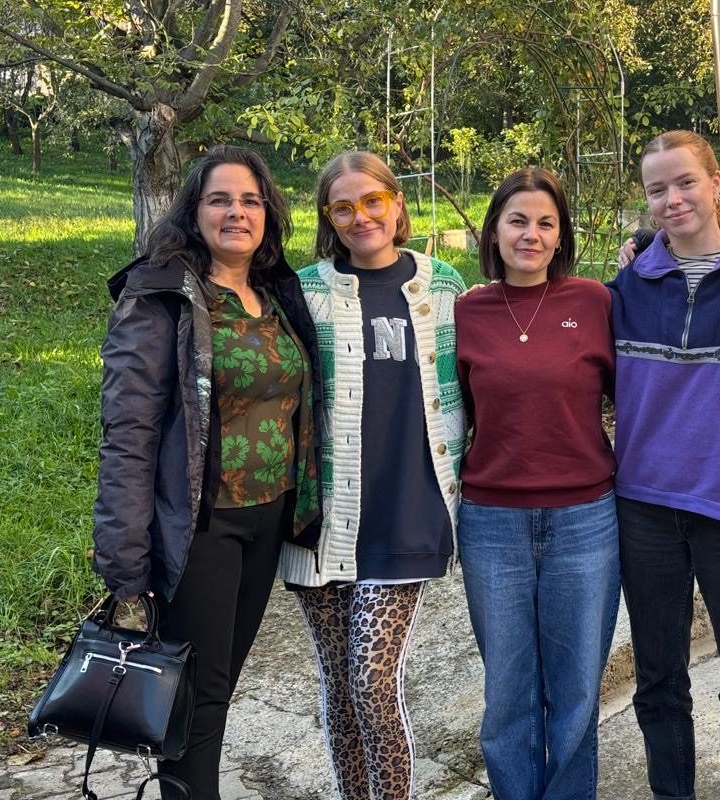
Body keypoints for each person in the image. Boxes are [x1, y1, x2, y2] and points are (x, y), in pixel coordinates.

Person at [93, 144, 323, 800]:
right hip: (197, 526)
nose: (236, 212)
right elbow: (129, 432)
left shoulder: (277, 293)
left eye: (250, 199)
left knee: (214, 688)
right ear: (194, 211)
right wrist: (125, 555)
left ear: (268, 212)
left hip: (268, 516)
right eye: (219, 198)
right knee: (192, 694)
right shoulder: (160, 292)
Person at [277, 150, 466, 799]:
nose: (361, 216)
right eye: (343, 206)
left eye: (372, 201)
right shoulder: (301, 291)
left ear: (397, 204)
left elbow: (477, 383)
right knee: (338, 687)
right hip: (320, 521)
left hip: (407, 513)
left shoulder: (443, 285)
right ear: (329, 217)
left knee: (371, 685)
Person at [609, 130, 720, 800]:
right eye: (657, 188)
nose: (672, 198)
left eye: (685, 182)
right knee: (659, 680)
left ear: (716, 182)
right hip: (645, 509)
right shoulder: (626, 285)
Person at [455, 166, 620, 800]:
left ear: (561, 236)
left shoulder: (595, 302)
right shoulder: (464, 310)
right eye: (517, 221)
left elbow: (636, 397)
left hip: (585, 519)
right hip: (492, 522)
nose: (531, 234)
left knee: (576, 689)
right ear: (493, 231)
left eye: (545, 223)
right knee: (508, 692)